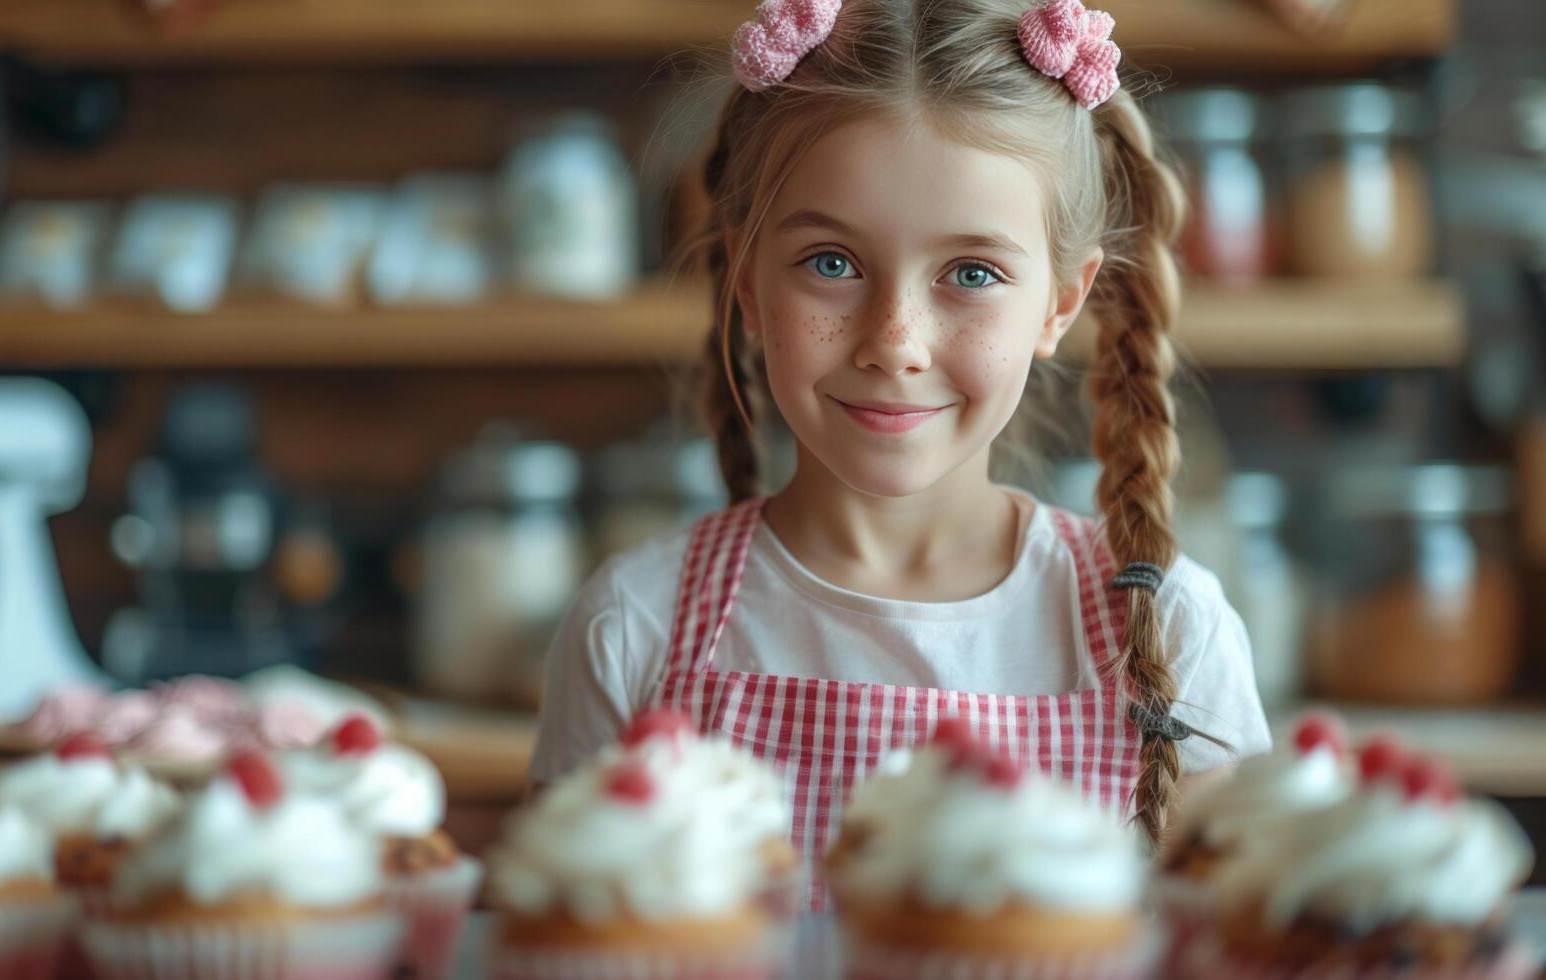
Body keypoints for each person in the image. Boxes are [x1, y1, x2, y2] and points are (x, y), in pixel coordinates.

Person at [531, 0, 1272, 907]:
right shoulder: (631, 628)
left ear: (1060, 303)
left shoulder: (1170, 635)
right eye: (831, 263)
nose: (896, 341)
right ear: (750, 281)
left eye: (972, 274)